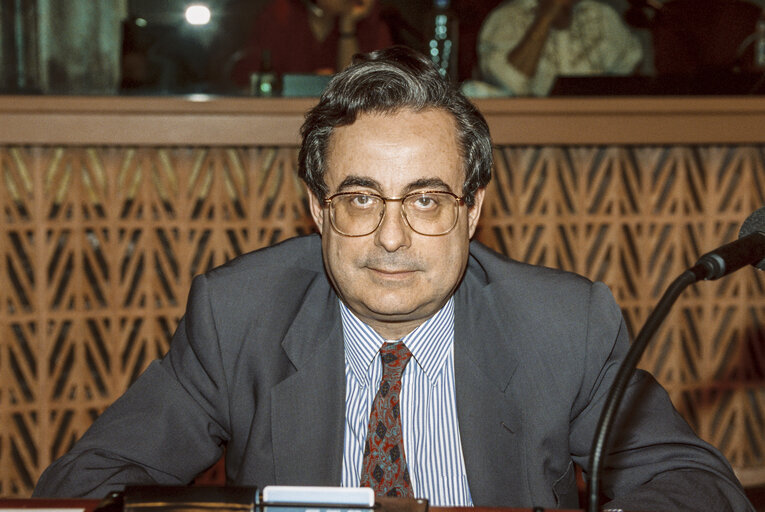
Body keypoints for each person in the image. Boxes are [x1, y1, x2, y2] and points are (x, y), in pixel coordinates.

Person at [34, 46, 753, 511]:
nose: (390, 236)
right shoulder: (239, 315)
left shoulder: (563, 324)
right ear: (316, 208)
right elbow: (85, 487)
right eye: (358, 198)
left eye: (427, 199)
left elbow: (695, 487)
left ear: (473, 211)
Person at [475, 0, 643, 96]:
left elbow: (630, 76)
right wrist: (545, 18)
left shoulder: (602, 15)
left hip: (599, 129)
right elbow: (512, 83)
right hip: (534, 130)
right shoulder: (507, 18)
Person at [231, 0, 392, 86]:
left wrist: (347, 28)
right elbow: (251, 82)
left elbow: (359, 89)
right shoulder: (280, 14)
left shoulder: (370, 21)